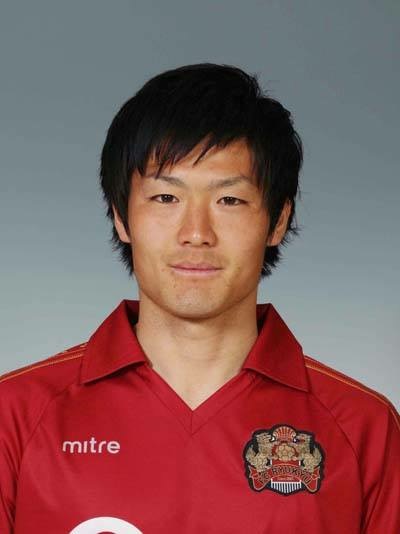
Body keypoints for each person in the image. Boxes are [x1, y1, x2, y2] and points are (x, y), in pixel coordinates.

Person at [1, 63, 399, 534]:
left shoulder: (363, 428)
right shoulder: (15, 416)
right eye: (165, 198)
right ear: (121, 217)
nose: (196, 233)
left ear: (277, 221)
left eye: (229, 200)